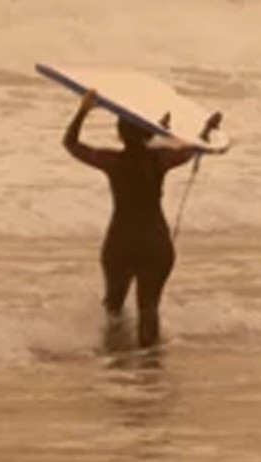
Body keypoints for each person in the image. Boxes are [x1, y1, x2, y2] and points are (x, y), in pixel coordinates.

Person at [63, 90, 196, 348]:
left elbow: (71, 144)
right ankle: (150, 373)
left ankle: (115, 372)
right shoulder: (160, 160)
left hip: (121, 243)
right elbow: (190, 149)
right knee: (149, 310)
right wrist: (164, 133)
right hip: (155, 244)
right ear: (149, 135)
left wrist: (83, 111)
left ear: (120, 134)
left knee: (113, 308)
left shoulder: (113, 161)